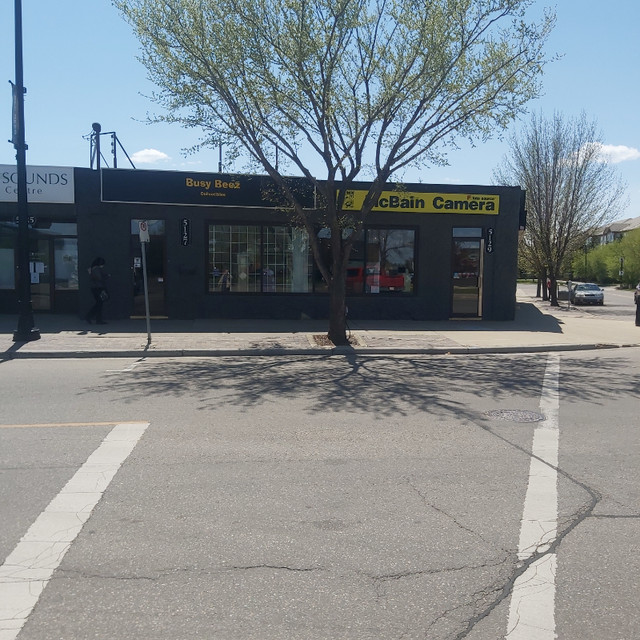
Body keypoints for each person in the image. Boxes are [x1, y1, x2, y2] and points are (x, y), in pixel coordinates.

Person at [85, 257, 109, 324]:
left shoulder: (93, 269)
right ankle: (92, 317)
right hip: (98, 288)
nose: (103, 266)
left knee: (99, 303)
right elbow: (99, 278)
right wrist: (106, 276)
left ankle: (92, 317)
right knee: (99, 303)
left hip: (94, 288)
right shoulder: (96, 269)